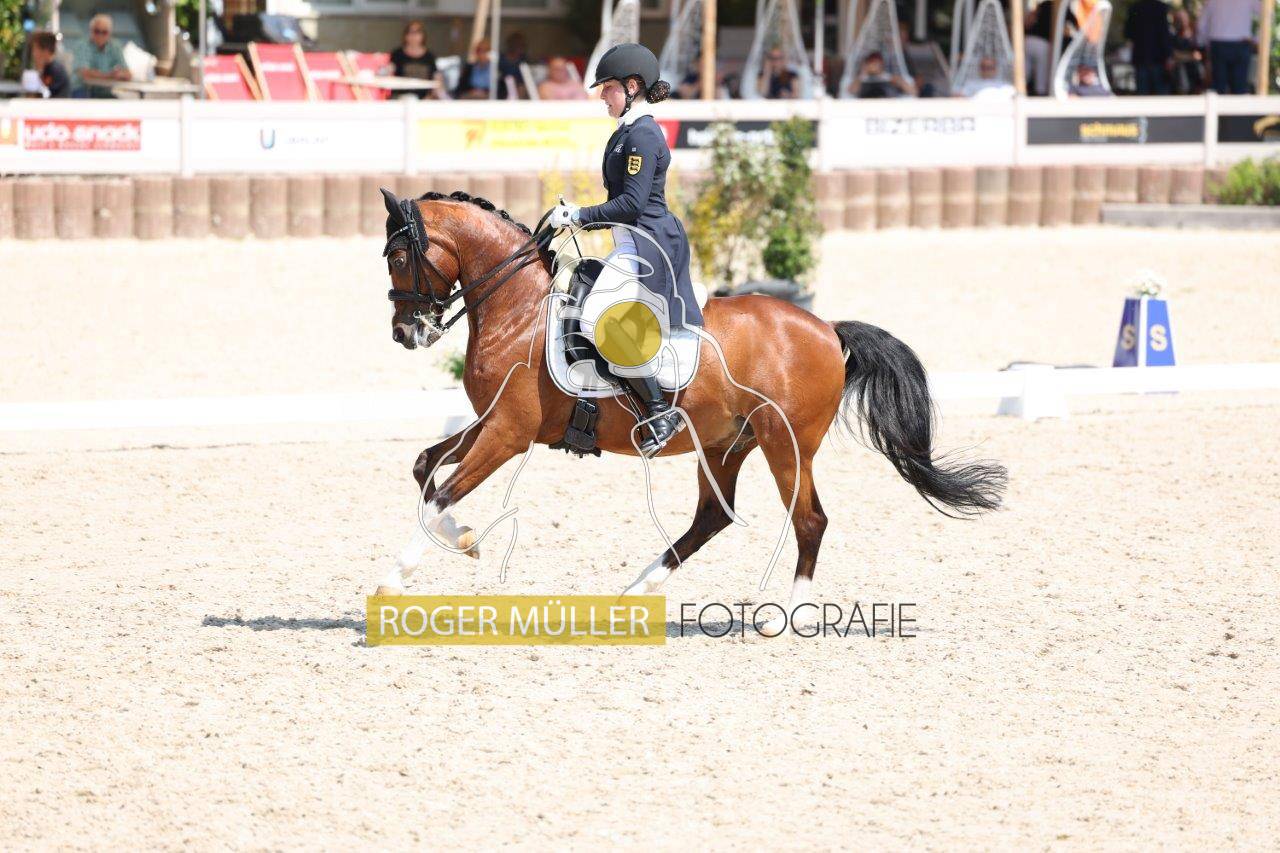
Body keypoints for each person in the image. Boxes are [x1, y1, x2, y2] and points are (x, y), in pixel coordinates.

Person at [547, 43, 701, 456]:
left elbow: (631, 204)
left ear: (632, 87)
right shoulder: (625, 133)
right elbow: (619, 205)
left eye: (609, 87)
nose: (603, 95)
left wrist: (579, 215)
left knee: (597, 315)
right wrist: (575, 217)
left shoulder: (644, 135)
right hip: (630, 240)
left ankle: (659, 411)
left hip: (650, 243)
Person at [1197, 0, 1258, 94]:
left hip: (1219, 45)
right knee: (1239, 88)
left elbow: (1201, 25)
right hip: (1240, 45)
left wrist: (1202, 44)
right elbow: (1268, 15)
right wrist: (1256, 39)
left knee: (1218, 88)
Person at [69, 13, 129, 98]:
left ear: (110, 33)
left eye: (104, 32)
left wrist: (120, 74)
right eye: (97, 31)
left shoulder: (115, 46)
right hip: (82, 89)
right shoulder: (82, 45)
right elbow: (85, 74)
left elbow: (128, 73)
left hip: (103, 91)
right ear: (91, 31)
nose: (100, 35)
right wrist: (110, 75)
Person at [1124, 0, 1174, 95]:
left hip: (1141, 57)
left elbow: (1128, 33)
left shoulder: (1134, 8)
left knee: (1143, 94)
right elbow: (1164, 35)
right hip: (1158, 58)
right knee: (1161, 94)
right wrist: (1168, 56)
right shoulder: (1161, 8)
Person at [387, 21, 443, 99]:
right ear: (405, 35)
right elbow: (388, 73)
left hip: (424, 99)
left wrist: (431, 97)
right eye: (410, 32)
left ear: (423, 35)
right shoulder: (397, 54)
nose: (414, 36)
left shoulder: (430, 56)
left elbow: (436, 79)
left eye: (417, 32)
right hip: (400, 98)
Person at [849, 51, 916, 98]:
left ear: (882, 64)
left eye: (877, 63)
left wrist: (883, 75)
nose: (874, 66)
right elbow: (852, 91)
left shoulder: (890, 78)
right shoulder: (861, 79)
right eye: (872, 63)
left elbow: (913, 91)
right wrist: (863, 74)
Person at [1170, 9, 1205, 93]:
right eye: (1178, 19)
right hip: (1182, 73)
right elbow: (1174, 54)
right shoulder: (1173, 38)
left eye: (1183, 19)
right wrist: (1190, 56)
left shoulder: (1196, 36)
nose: (1181, 22)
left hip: (1196, 72)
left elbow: (1200, 54)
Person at [29, 31, 71, 98]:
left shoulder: (56, 70)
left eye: (35, 49)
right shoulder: (46, 68)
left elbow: (44, 95)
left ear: (46, 51)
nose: (33, 54)